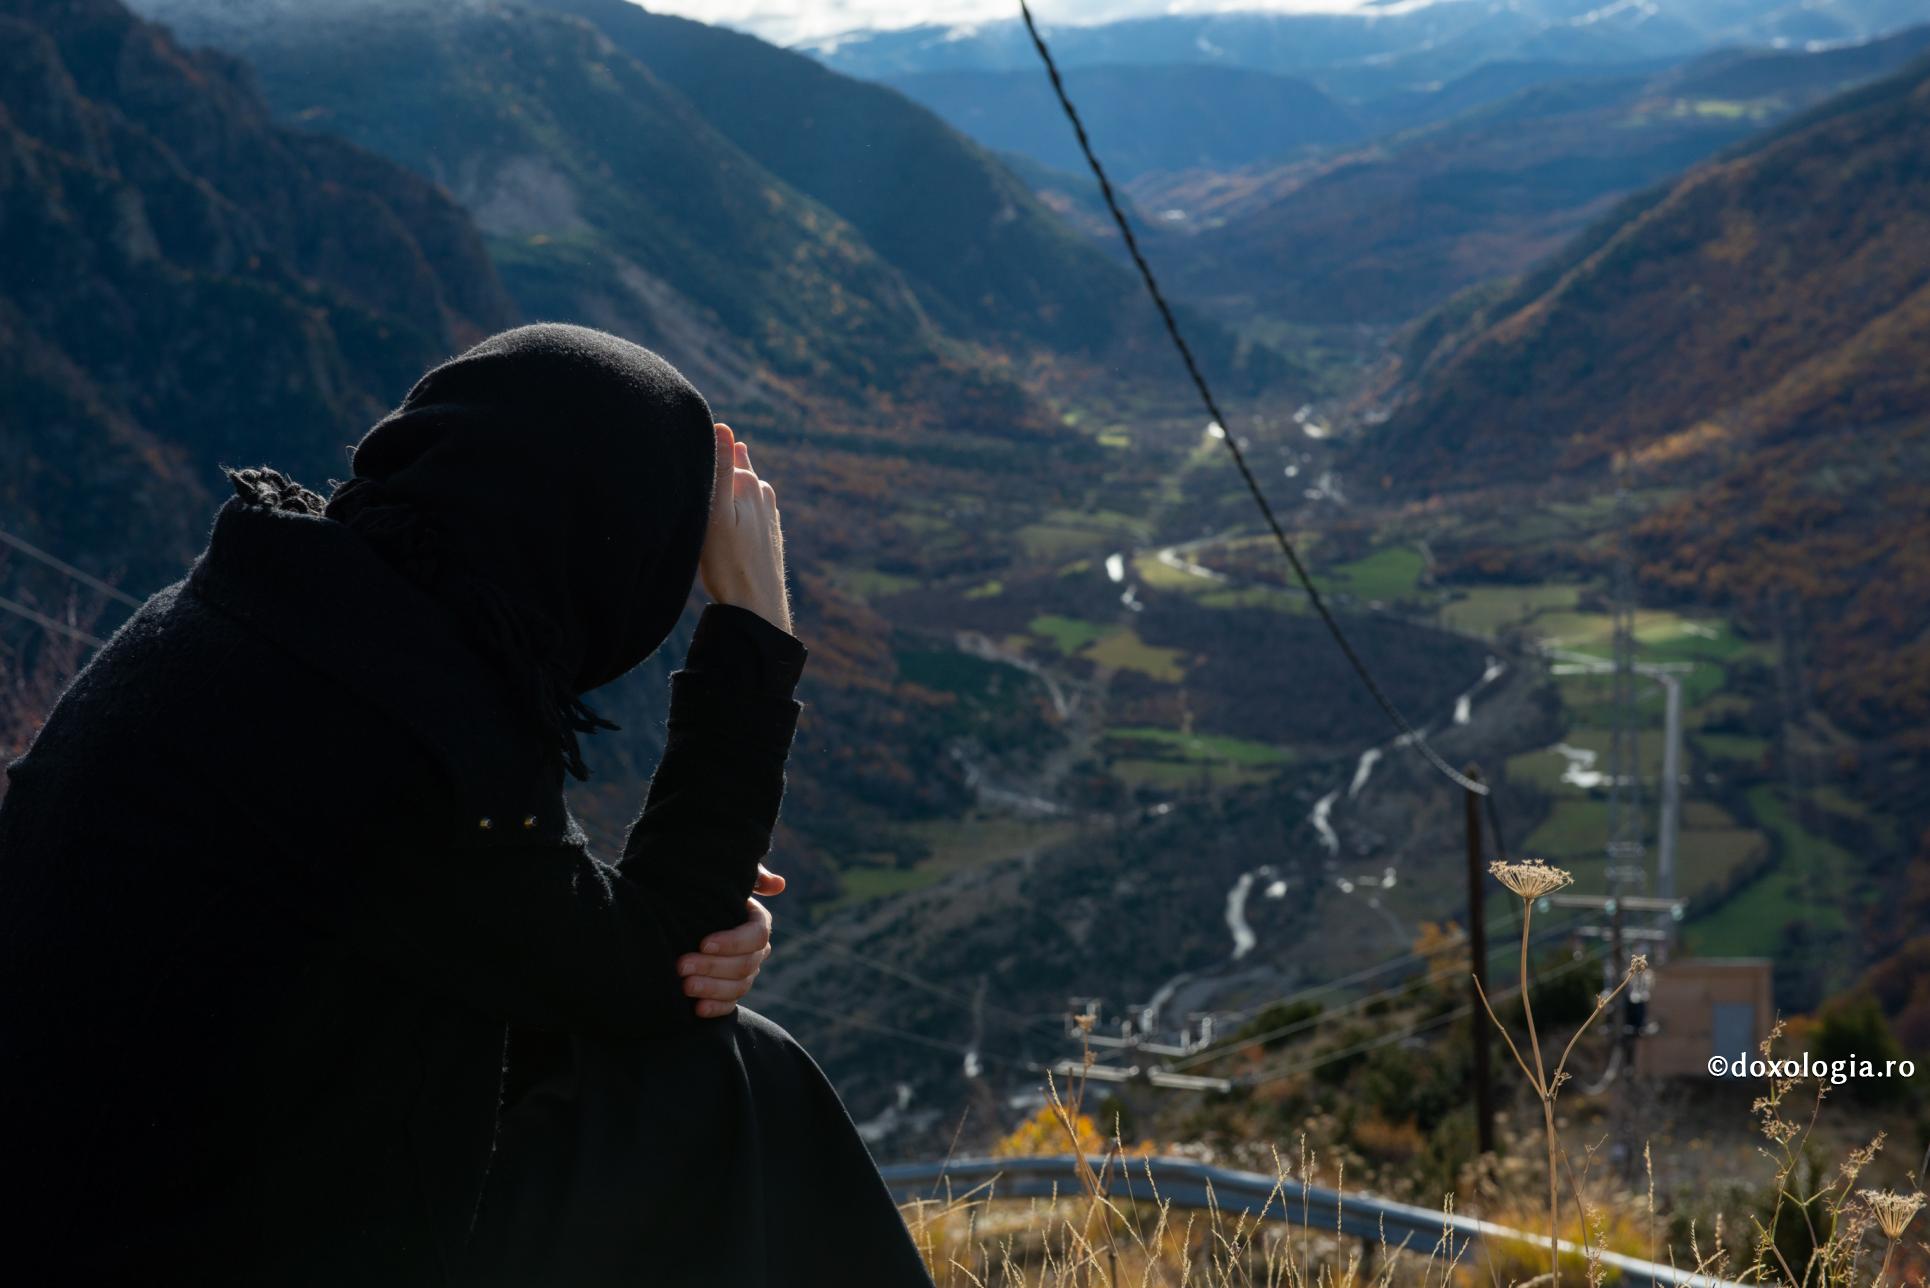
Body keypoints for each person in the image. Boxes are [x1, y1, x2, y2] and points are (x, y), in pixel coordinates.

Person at [0, 324, 935, 1285]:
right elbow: (651, 976)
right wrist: (751, 636)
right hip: (198, 1242)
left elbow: (525, 926)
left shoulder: (264, 623)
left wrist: (675, 913)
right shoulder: (400, 736)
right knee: (715, 1080)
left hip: (105, 1213)